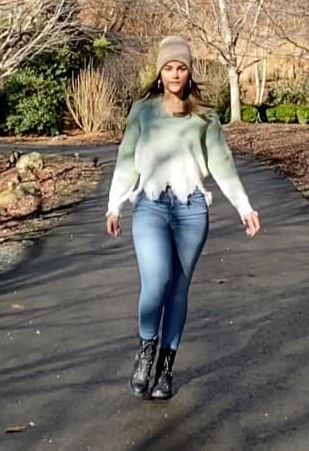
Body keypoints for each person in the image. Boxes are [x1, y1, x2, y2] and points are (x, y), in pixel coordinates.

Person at [106, 35, 260, 400]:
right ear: (160, 73)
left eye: (181, 68)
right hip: (151, 205)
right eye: (169, 68)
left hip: (192, 210)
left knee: (178, 290)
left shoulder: (205, 117)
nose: (175, 74)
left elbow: (222, 165)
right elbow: (127, 161)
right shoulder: (143, 112)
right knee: (156, 282)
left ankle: (165, 367)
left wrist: (244, 206)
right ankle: (146, 349)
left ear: (189, 73)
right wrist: (115, 205)